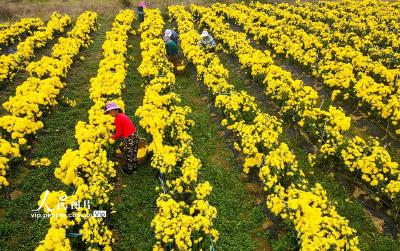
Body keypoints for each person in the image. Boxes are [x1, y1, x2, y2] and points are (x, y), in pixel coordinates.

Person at [105, 102, 139, 175]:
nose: (110, 114)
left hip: (129, 137)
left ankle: (129, 170)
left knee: (129, 153)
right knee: (134, 151)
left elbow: (119, 133)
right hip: (135, 134)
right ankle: (134, 166)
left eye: (110, 112)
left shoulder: (117, 119)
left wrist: (112, 137)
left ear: (115, 110)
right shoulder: (122, 115)